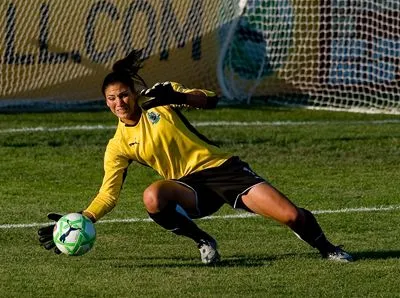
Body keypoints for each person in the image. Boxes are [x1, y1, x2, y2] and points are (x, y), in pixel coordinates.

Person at [38, 50, 353, 264]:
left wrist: (179, 96)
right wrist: (82, 219)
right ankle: (204, 241)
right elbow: (108, 194)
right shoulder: (118, 145)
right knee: (152, 195)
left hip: (224, 170)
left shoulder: (161, 99)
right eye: (112, 98)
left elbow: (211, 100)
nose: (119, 102)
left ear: (133, 92)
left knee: (290, 216)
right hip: (189, 188)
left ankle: (328, 249)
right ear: (105, 103)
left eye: (123, 94)